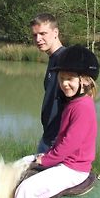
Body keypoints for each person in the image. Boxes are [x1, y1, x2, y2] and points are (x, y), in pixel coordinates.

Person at [7, 44, 99, 198]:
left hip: (73, 168)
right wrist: (42, 157)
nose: (64, 83)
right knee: (20, 163)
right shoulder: (74, 103)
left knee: (27, 190)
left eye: (70, 79)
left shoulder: (82, 107)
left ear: (86, 81)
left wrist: (47, 160)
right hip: (65, 163)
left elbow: (68, 144)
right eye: (62, 78)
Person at [30, 13, 65, 153]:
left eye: (43, 33)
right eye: (35, 35)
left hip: (58, 140)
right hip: (49, 136)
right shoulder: (53, 59)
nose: (38, 39)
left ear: (55, 32)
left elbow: (79, 104)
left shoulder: (66, 60)